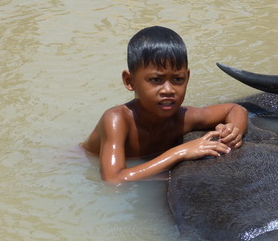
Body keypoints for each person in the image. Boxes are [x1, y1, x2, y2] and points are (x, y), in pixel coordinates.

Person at [82, 26, 248, 185]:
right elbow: (112, 179)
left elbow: (235, 109)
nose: (168, 90)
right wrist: (180, 152)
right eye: (156, 80)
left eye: (178, 79)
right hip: (80, 162)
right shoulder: (117, 120)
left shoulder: (183, 118)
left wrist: (234, 131)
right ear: (129, 81)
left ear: (187, 78)